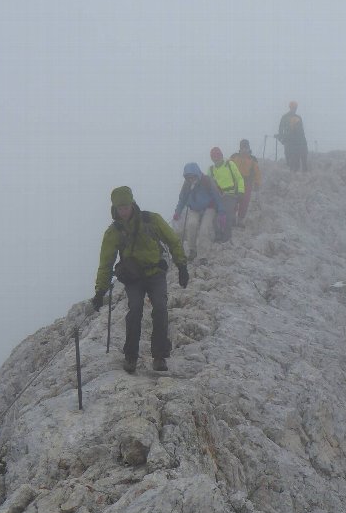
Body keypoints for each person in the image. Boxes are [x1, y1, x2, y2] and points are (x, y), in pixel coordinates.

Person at [91, 186, 189, 374]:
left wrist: (182, 265)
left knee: (160, 308)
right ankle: (131, 356)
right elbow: (106, 262)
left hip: (155, 272)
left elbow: (172, 240)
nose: (124, 211)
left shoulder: (151, 220)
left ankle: (159, 356)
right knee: (135, 310)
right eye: (120, 208)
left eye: (126, 206)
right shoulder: (114, 232)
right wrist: (100, 291)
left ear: (132, 204)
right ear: (115, 208)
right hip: (133, 278)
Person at [173, 162, 225, 262]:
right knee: (191, 225)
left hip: (209, 208)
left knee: (204, 229)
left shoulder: (207, 180)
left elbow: (216, 196)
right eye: (188, 177)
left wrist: (221, 212)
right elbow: (182, 198)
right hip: (194, 208)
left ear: (196, 173)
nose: (190, 179)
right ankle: (192, 250)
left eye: (192, 176)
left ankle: (202, 256)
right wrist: (177, 212)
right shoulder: (187, 184)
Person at [208, 148, 244, 241]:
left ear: (221, 155)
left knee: (227, 214)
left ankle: (227, 237)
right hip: (217, 196)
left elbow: (239, 178)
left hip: (230, 195)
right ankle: (218, 234)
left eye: (218, 156)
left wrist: (240, 191)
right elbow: (208, 185)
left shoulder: (229, 164)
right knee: (214, 215)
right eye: (214, 157)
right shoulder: (211, 169)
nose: (216, 158)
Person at [229, 139, 261, 226]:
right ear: (240, 148)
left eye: (246, 147)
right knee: (234, 200)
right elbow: (228, 168)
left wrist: (257, 183)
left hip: (247, 182)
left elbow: (257, 172)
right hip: (235, 183)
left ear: (248, 148)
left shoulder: (252, 159)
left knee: (245, 201)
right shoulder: (234, 157)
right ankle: (232, 218)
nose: (244, 149)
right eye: (242, 147)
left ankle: (240, 220)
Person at [277, 101, 308, 172]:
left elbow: (301, 130)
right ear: (290, 108)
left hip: (297, 141)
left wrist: (303, 140)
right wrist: (282, 139)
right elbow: (281, 129)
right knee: (289, 157)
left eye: (295, 108)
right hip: (289, 140)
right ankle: (293, 172)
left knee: (296, 157)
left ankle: (296, 173)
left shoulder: (297, 117)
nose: (294, 109)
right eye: (293, 108)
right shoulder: (285, 117)